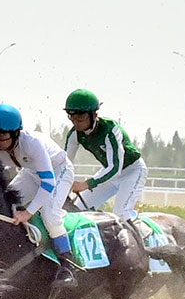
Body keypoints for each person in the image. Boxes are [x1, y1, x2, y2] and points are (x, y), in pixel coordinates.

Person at [0, 103, 77, 288]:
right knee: (5, 203)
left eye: (2, 135)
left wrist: (28, 213)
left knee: (50, 215)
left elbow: (48, 183)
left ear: (15, 132)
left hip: (59, 171)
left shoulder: (32, 143)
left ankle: (67, 266)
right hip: (30, 173)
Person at [62, 89, 147, 221]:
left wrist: (86, 184)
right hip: (109, 174)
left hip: (132, 171)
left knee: (120, 216)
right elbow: (64, 164)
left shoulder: (110, 130)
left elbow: (115, 168)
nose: (76, 122)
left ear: (94, 114)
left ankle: (138, 230)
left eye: (80, 117)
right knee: (78, 211)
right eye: (72, 117)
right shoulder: (74, 134)